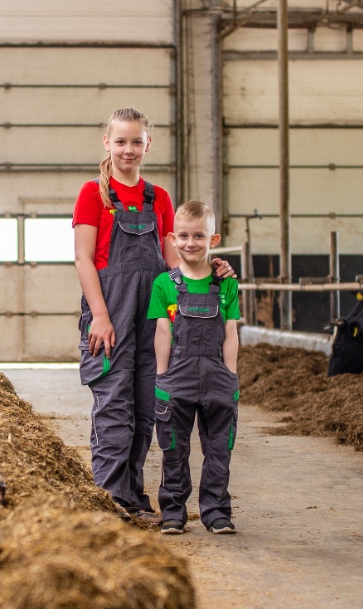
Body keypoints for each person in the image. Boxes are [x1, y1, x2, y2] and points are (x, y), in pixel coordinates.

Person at [73, 108, 233, 523]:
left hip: (154, 318)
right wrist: (101, 317)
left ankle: (132, 494)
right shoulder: (93, 193)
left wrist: (213, 267)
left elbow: (174, 262)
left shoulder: (158, 198)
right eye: (121, 141)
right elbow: (84, 259)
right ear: (106, 143)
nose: (129, 149)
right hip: (110, 313)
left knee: (148, 410)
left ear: (148, 145)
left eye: (137, 141)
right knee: (114, 408)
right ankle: (111, 499)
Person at [147, 201, 240, 535]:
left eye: (199, 236)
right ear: (172, 238)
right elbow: (162, 331)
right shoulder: (164, 283)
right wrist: (161, 377)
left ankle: (216, 512)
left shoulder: (226, 284)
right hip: (177, 378)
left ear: (213, 240)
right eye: (184, 236)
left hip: (217, 377)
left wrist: (231, 376)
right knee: (174, 449)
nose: (190, 242)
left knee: (218, 450)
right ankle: (173, 511)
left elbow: (231, 332)